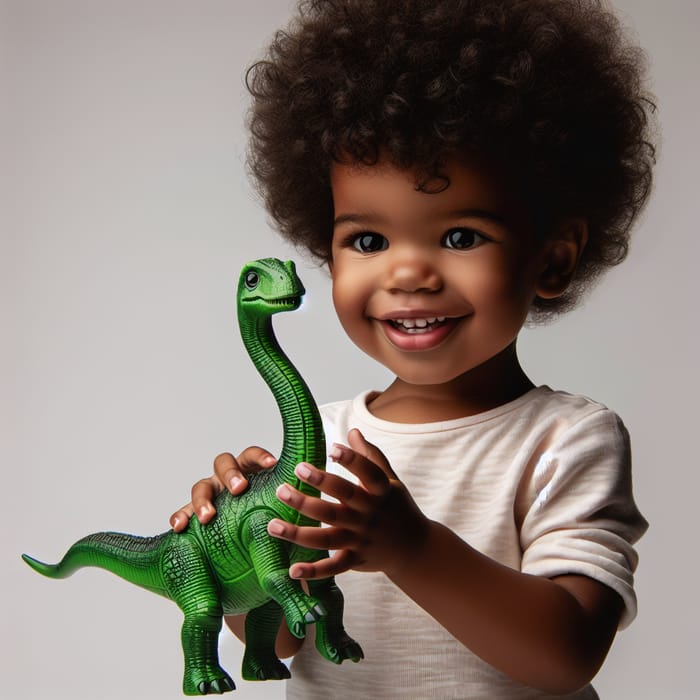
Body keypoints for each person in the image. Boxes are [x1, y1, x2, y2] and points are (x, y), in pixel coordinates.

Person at [170, 1, 655, 697]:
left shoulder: (567, 440)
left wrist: (412, 548)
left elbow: (565, 655)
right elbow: (274, 638)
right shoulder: (328, 441)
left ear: (551, 258)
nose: (407, 274)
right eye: (368, 241)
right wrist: (237, 546)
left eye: (460, 236)